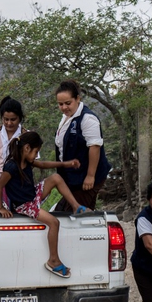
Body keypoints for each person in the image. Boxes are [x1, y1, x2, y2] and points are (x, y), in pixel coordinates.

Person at [0, 132, 86, 278]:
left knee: (56, 177)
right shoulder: (11, 166)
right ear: (27, 148)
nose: (36, 155)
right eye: (36, 152)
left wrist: (65, 164)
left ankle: (76, 206)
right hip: (25, 205)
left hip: (33, 195)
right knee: (54, 223)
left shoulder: (27, 161)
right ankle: (53, 260)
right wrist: (0, 207)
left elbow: (43, 164)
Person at [53, 80, 111, 211]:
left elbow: (95, 147)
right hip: (72, 179)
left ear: (77, 99)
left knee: (68, 213)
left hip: (86, 178)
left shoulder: (87, 119)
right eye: (60, 104)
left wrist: (90, 176)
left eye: (68, 103)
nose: (64, 107)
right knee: (80, 214)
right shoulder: (65, 118)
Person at [0, 96, 25, 160]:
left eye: (13, 120)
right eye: (6, 119)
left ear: (20, 118)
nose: (9, 123)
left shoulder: (26, 135)